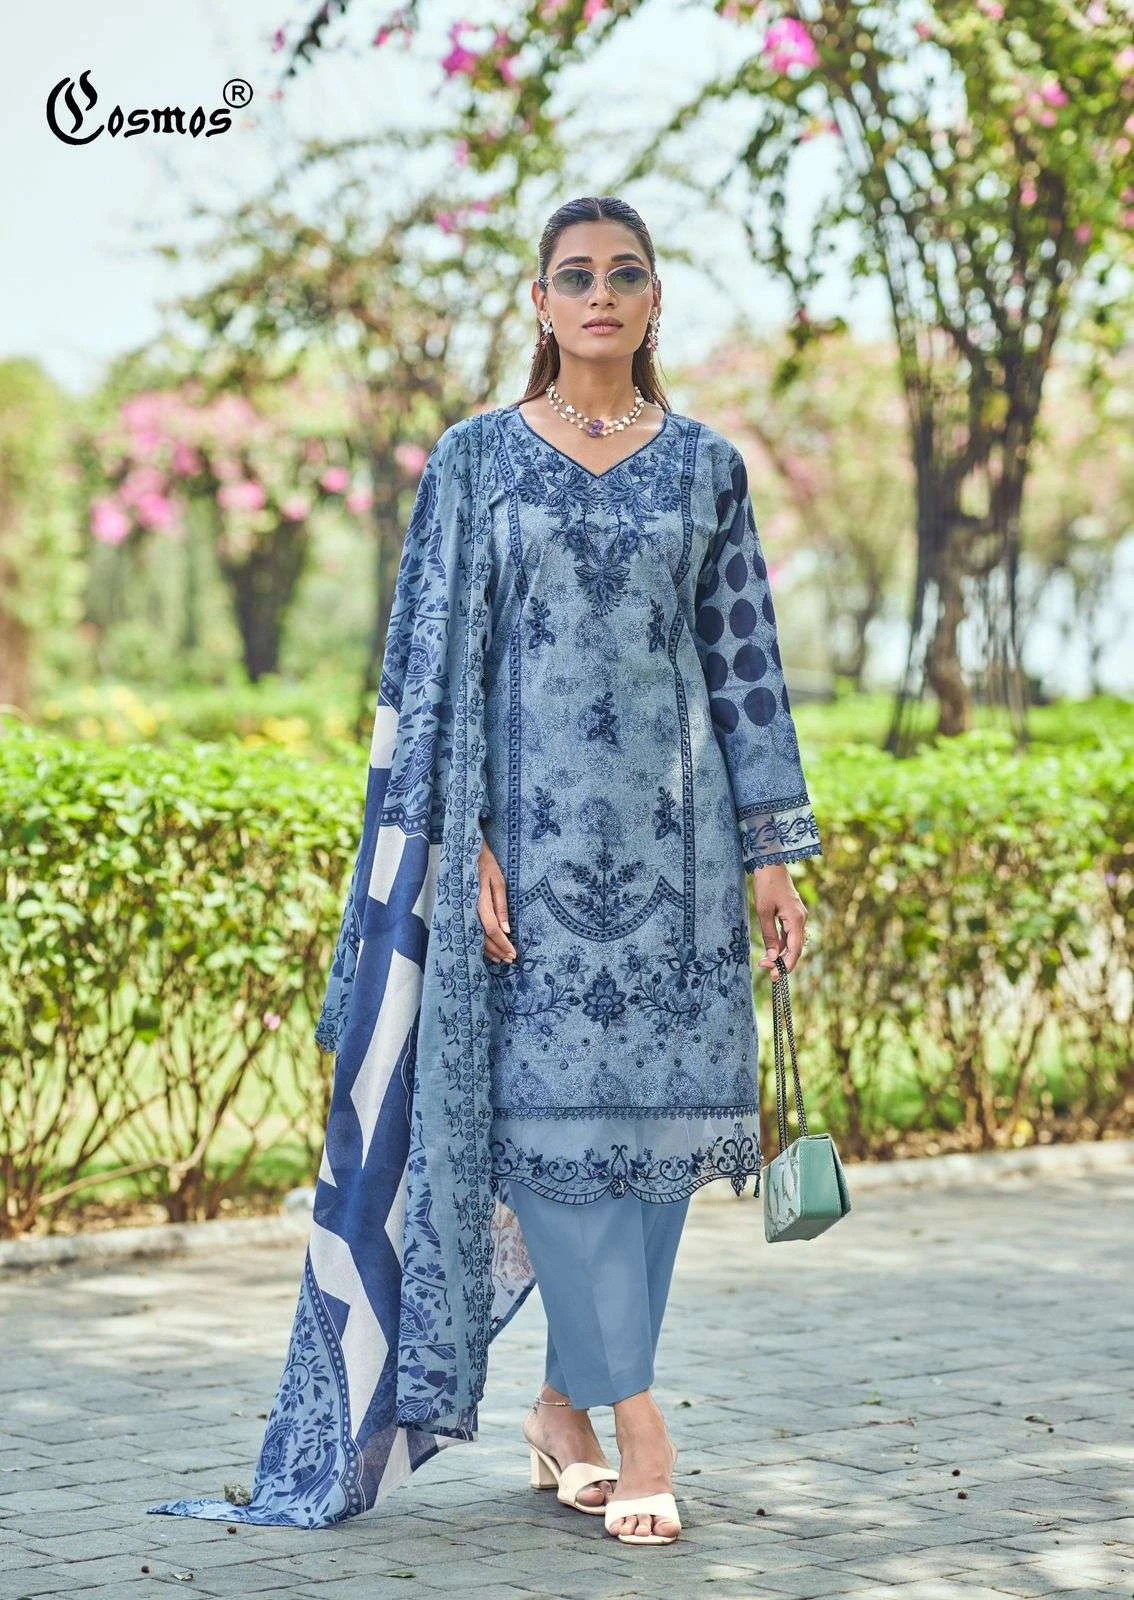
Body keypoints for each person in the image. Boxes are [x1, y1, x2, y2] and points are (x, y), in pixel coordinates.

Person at [147, 195, 821, 1547]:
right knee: (556, 1141)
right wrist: (459, 845)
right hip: (529, 862)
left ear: (654, 300)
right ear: (539, 302)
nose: (599, 294)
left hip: (681, 860)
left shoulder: (706, 466)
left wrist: (773, 854)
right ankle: (641, 1422)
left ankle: (564, 1409)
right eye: (575, 275)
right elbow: (428, 665)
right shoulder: (476, 463)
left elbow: (744, 661)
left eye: (623, 274)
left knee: (651, 1147)